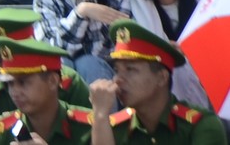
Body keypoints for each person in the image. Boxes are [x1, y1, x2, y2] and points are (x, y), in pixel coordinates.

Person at [86, 21, 222, 145]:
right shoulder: (112, 128)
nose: (118, 79)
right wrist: (100, 115)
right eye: (116, 70)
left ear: (162, 77)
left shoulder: (200, 125)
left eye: (130, 69)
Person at [123, 0, 210, 107]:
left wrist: (191, 51)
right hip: (161, 100)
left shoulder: (203, 0)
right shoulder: (137, 4)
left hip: (204, 90)